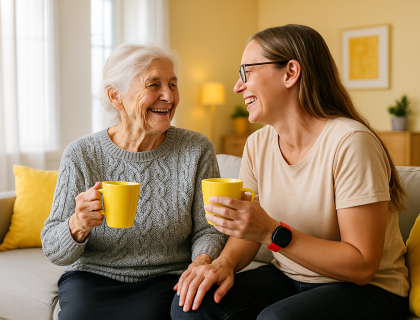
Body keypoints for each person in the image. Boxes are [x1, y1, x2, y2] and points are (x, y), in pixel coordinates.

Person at [171, 24, 409, 320]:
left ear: (290, 73)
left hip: (370, 289)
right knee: (193, 305)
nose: (237, 86)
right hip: (289, 276)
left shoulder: (351, 142)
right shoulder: (258, 144)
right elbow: (249, 231)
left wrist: (271, 231)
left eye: (248, 72)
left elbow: (361, 266)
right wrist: (224, 264)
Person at [41, 43, 228, 320]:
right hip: (93, 278)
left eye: (173, 84)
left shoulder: (196, 149)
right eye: (154, 85)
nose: (168, 96)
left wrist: (200, 263)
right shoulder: (82, 153)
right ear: (116, 97)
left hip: (168, 278)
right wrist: (77, 225)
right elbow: (54, 250)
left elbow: (210, 229)